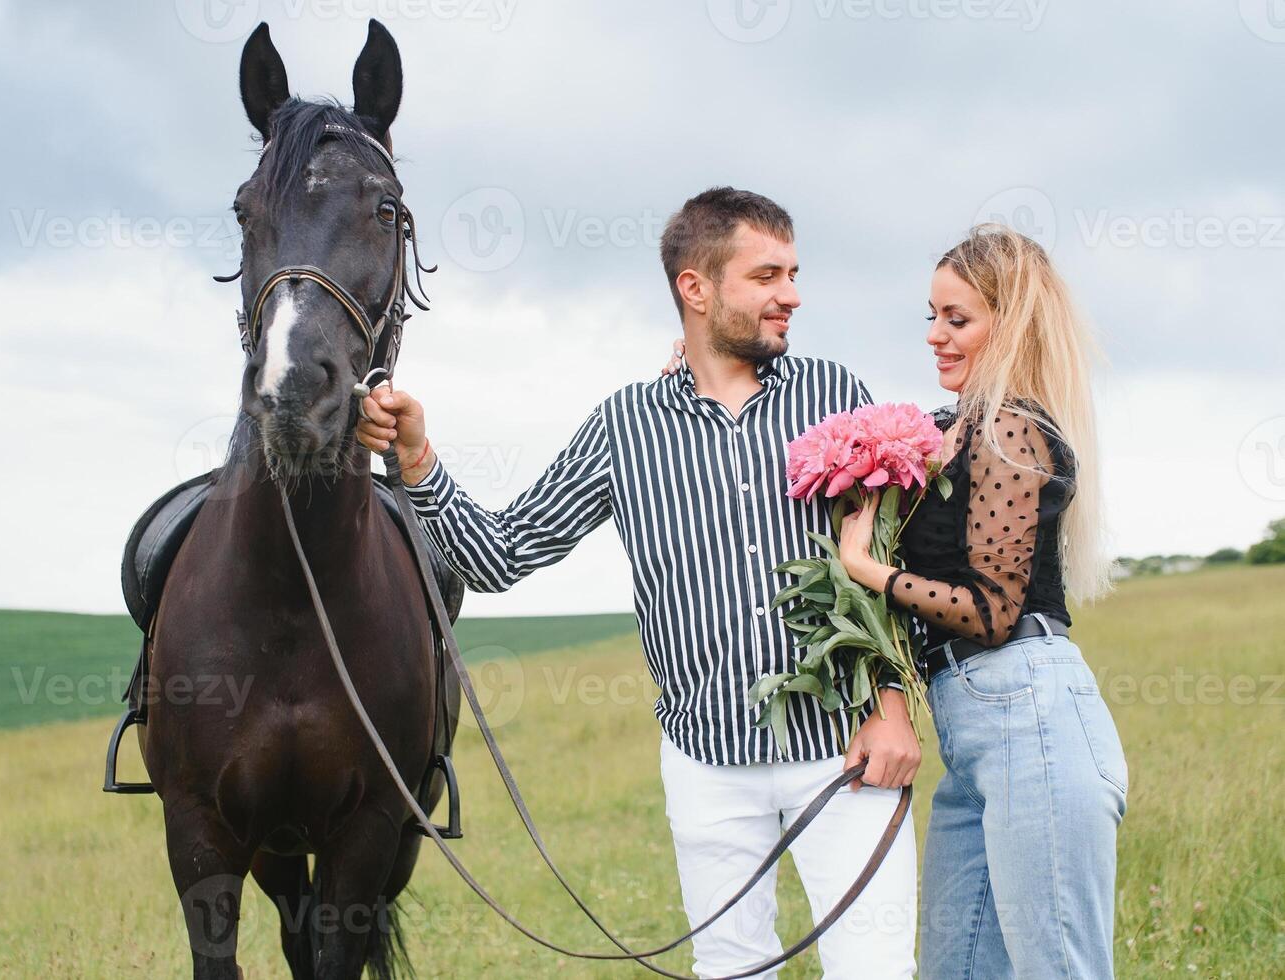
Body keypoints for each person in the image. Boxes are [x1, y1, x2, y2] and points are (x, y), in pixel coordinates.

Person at [357, 187, 919, 978]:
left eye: (792, 273)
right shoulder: (624, 427)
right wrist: (416, 459)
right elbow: (501, 553)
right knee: (729, 970)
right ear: (696, 287)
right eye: (766, 276)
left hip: (849, 756)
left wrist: (891, 707)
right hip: (706, 765)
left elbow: (893, 561)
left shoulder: (835, 394)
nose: (790, 294)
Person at [835, 224, 1127, 977]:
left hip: (1029, 715)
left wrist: (868, 571)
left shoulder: (1009, 428)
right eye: (929, 316)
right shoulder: (952, 430)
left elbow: (991, 611)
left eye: (956, 319)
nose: (935, 335)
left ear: (1012, 322)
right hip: (974, 736)